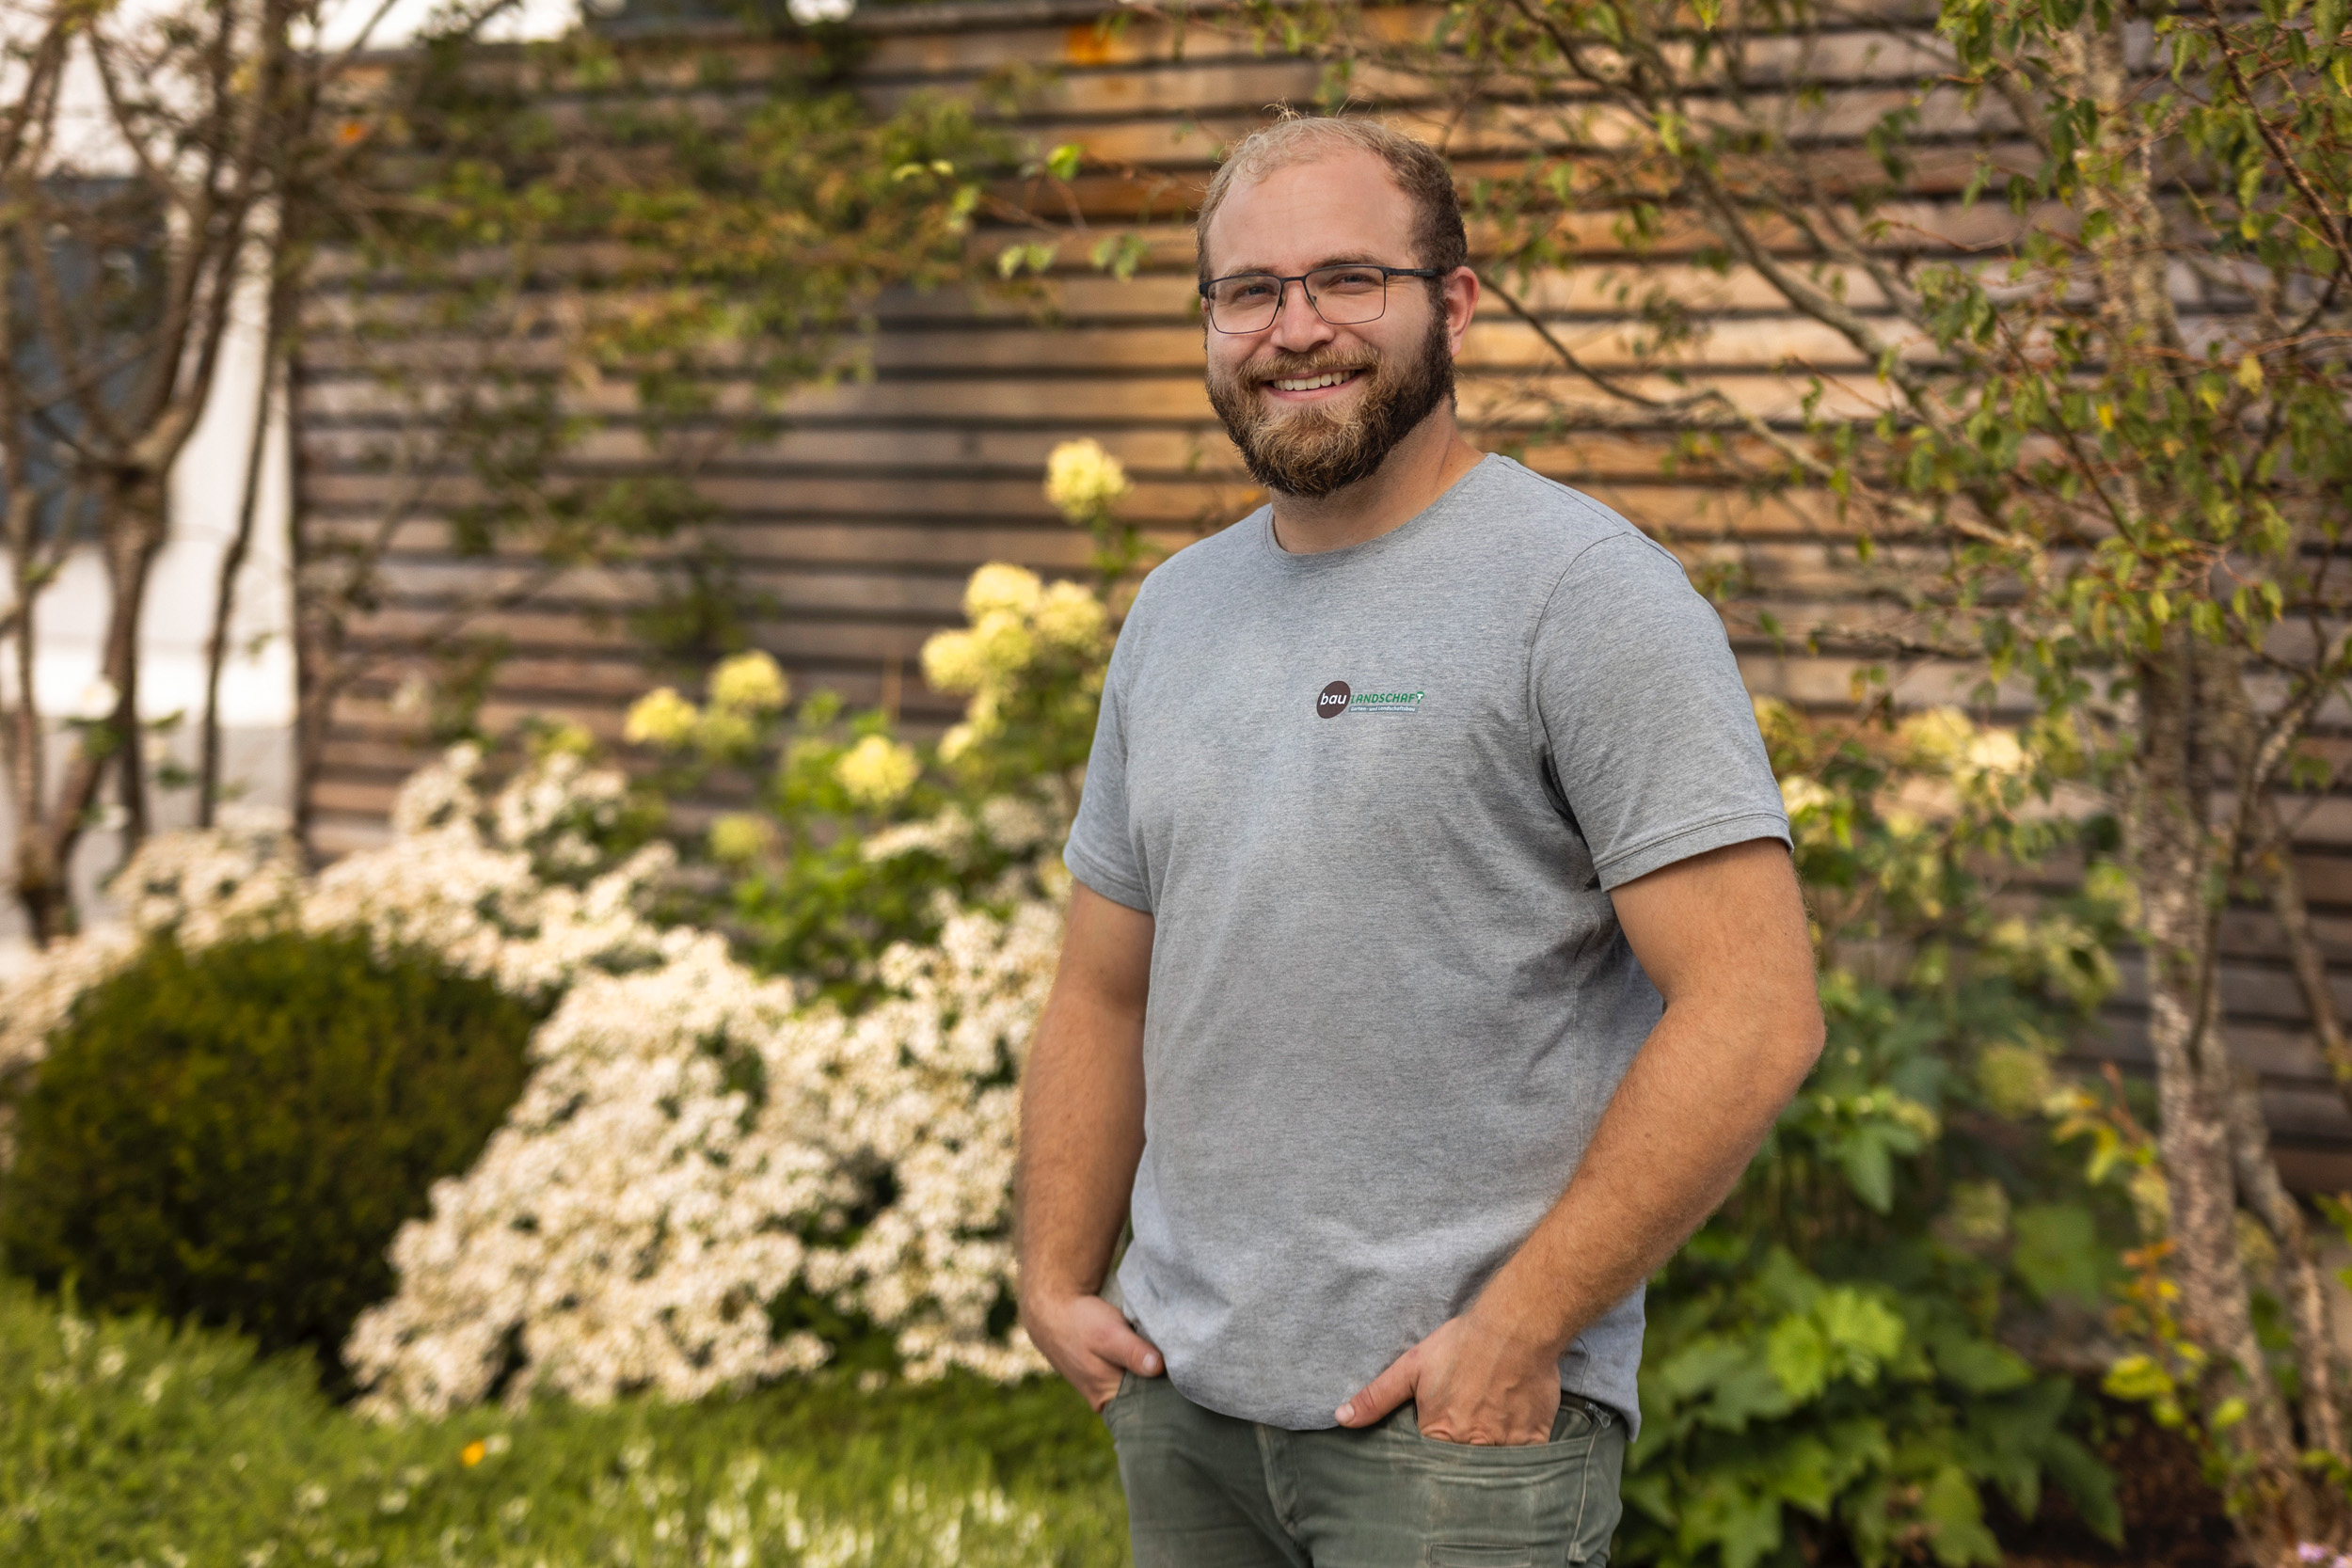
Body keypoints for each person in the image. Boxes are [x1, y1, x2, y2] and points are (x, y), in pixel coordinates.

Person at [1015, 112, 1825, 1567]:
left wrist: (1521, 1331)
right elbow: (1105, 986)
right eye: (1249, 291)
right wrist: (1055, 1273)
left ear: (1452, 301)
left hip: (1454, 1441)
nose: (1295, 329)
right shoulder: (1175, 612)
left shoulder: (1585, 593)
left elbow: (1756, 1010)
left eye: (1347, 280)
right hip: (1183, 1405)